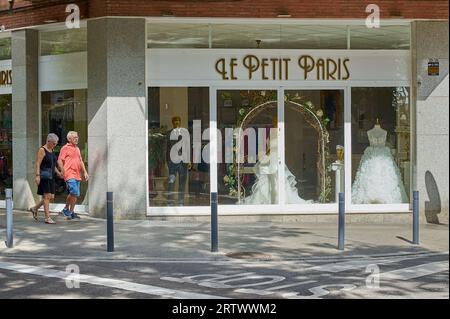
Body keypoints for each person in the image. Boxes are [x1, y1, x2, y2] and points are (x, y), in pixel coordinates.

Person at [29, 133, 63, 224]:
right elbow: (38, 163)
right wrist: (37, 175)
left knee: (51, 197)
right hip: (44, 176)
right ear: (48, 141)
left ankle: (34, 208)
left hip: (51, 176)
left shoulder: (51, 150)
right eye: (54, 143)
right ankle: (47, 218)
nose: (55, 145)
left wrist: (58, 173)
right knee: (46, 196)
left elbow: (53, 165)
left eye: (56, 143)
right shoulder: (42, 150)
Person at [57, 131, 89, 219]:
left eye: (77, 137)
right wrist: (62, 171)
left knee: (74, 194)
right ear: (69, 139)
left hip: (77, 174)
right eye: (75, 137)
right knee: (74, 192)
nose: (77, 139)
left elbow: (81, 161)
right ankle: (67, 209)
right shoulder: (65, 148)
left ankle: (70, 211)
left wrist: (85, 172)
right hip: (69, 173)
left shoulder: (77, 148)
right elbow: (59, 160)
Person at [166, 116, 190, 206]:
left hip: (183, 162)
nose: (176, 122)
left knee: (182, 183)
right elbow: (166, 148)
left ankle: (181, 202)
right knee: (171, 182)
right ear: (172, 123)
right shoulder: (168, 134)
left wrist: (189, 160)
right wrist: (167, 161)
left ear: (180, 122)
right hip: (172, 162)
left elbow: (188, 147)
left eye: (178, 121)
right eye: (175, 121)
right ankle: (170, 201)